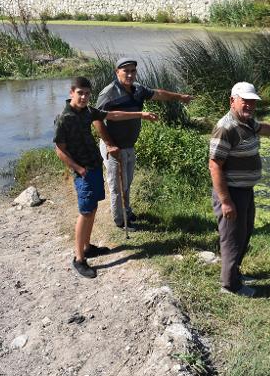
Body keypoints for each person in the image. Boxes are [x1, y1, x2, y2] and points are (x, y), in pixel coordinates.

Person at [53, 76, 159, 278]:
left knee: (92, 208)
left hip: (93, 167)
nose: (84, 97)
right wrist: (78, 168)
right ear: (71, 93)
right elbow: (60, 150)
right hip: (83, 171)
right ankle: (79, 259)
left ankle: (87, 247)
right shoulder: (64, 118)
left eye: (87, 94)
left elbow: (113, 115)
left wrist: (141, 114)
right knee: (85, 212)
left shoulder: (88, 112)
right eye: (80, 93)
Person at [209, 82, 270, 296]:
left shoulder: (247, 121)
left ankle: (234, 273)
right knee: (232, 239)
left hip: (245, 190)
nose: (249, 105)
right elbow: (215, 165)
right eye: (244, 100)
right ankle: (230, 285)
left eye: (253, 101)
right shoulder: (226, 128)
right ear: (232, 101)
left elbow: (261, 127)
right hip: (231, 192)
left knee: (244, 233)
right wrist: (226, 201)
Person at [94, 57, 193, 230]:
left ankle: (127, 211)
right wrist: (109, 145)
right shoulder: (108, 93)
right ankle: (120, 220)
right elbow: (96, 119)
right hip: (114, 147)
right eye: (126, 71)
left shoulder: (138, 89)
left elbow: (159, 93)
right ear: (117, 72)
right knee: (117, 185)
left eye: (133, 71)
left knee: (127, 181)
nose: (130, 75)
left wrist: (180, 97)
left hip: (129, 145)